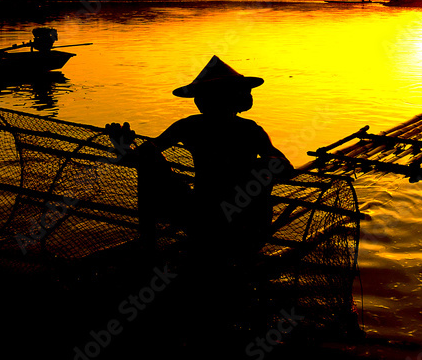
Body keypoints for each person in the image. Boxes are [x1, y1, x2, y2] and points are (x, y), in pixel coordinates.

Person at [107, 56, 294, 262]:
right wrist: (124, 145)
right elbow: (144, 154)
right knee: (150, 156)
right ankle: (153, 244)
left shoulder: (238, 129)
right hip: (203, 215)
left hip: (234, 219)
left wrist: (265, 165)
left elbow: (283, 166)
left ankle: (153, 246)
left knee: (149, 156)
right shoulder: (215, 127)